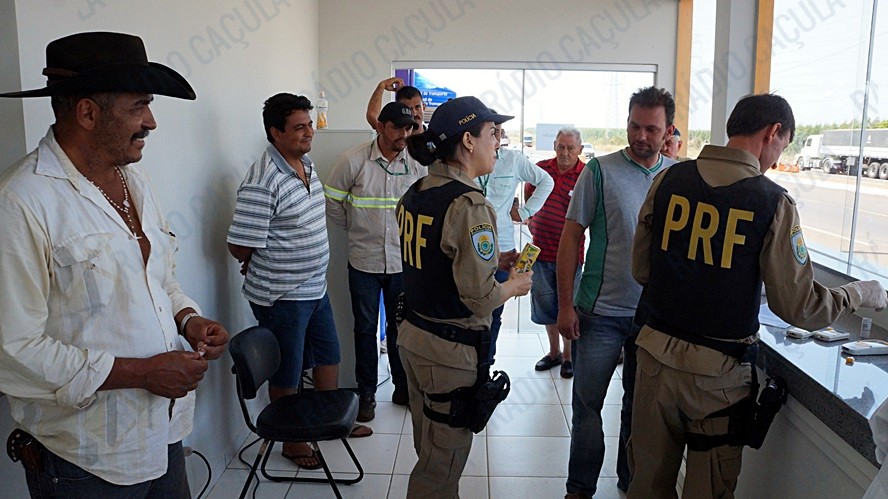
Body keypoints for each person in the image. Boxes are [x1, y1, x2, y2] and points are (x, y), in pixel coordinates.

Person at [0, 32, 230, 497]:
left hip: (163, 431)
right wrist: (143, 373)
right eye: (139, 106)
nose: (151, 122)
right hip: (85, 457)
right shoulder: (21, 201)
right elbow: (13, 349)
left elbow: (158, 280)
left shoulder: (135, 181)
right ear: (87, 113)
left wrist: (187, 318)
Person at [628, 93, 888, 499]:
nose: (777, 159)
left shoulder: (668, 180)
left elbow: (642, 269)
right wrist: (859, 293)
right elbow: (800, 307)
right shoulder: (772, 202)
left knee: (646, 485)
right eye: (782, 146)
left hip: (653, 362)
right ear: (773, 132)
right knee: (707, 490)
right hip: (717, 378)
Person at [396, 96, 533, 498]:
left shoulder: (418, 191)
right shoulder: (469, 204)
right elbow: (481, 298)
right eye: (493, 133)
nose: (498, 142)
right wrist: (514, 285)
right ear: (469, 141)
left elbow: (438, 263)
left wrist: (494, 262)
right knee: (440, 470)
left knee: (429, 450)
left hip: (414, 339)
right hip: (448, 354)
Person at [557, 86, 677, 498]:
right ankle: (580, 488)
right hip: (599, 314)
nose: (641, 136)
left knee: (638, 411)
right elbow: (571, 239)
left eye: (651, 129)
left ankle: (629, 481)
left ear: (669, 131)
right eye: (634, 126)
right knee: (588, 406)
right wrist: (566, 306)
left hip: (652, 320)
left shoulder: (677, 177)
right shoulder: (599, 171)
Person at [227, 93, 346, 469]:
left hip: (315, 287)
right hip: (282, 296)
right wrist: (261, 261)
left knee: (328, 356)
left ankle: (328, 423)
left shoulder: (307, 164)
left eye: (309, 125)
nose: (309, 132)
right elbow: (239, 244)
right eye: (299, 127)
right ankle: (291, 443)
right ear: (275, 132)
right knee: (288, 370)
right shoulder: (263, 179)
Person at [324, 101, 427, 420]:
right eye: (397, 127)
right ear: (380, 127)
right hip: (363, 262)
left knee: (401, 329)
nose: (404, 134)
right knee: (366, 329)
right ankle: (366, 393)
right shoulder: (352, 160)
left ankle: (402, 387)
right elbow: (332, 202)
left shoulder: (417, 163)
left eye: (409, 128)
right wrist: (356, 227)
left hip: (402, 262)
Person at [480, 114, 554, 363]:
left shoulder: (512, 160)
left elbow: (546, 181)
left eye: (499, 132)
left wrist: (524, 213)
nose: (496, 138)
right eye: (491, 132)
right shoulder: (467, 162)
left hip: (503, 248)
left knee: (495, 313)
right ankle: (471, 366)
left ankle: (486, 365)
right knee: (471, 313)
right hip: (471, 249)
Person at [526, 127, 586, 378]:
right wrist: (530, 218)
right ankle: (554, 353)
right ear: (554, 146)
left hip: (570, 258)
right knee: (546, 305)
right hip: (540, 253)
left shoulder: (585, 175)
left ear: (580, 149)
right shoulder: (541, 170)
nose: (565, 152)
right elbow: (529, 196)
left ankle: (569, 356)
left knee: (568, 306)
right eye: (561, 146)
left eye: (571, 148)